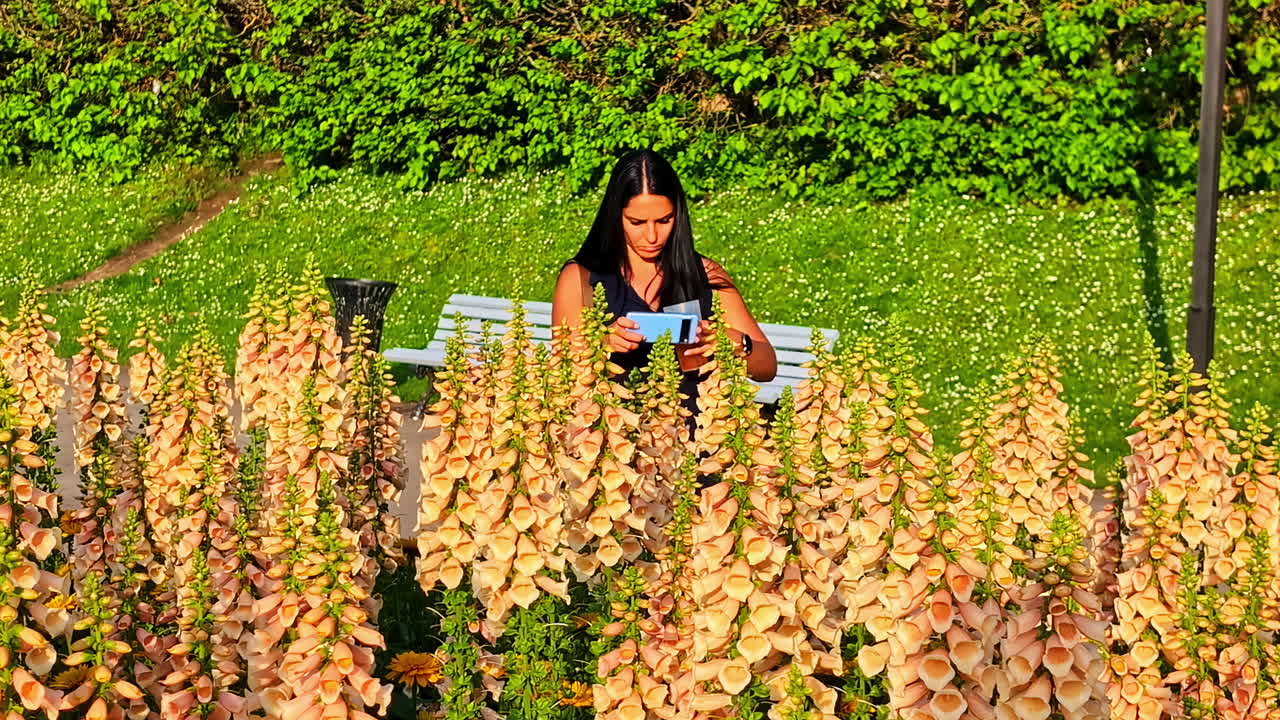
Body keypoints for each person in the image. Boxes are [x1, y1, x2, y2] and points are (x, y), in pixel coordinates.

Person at [550, 148, 777, 436]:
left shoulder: (705, 274)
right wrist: (602, 344)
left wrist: (736, 344)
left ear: (678, 215)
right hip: (612, 439)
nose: (652, 236)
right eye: (637, 223)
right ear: (614, 216)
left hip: (696, 441)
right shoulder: (581, 279)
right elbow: (560, 373)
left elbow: (767, 367)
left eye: (664, 220)